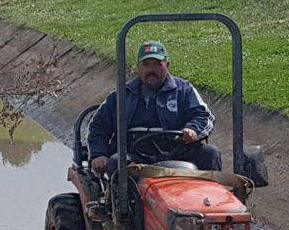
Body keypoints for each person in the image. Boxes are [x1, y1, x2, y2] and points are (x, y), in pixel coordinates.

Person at [88, 40, 222, 177]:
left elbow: (203, 116)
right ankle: (124, 198)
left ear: (167, 65)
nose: (151, 70)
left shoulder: (184, 90)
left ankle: (208, 197)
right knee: (116, 162)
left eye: (157, 65)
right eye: (146, 65)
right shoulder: (121, 95)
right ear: (138, 67)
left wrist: (192, 129)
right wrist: (99, 154)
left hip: (176, 152)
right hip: (135, 155)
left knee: (210, 153)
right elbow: (99, 125)